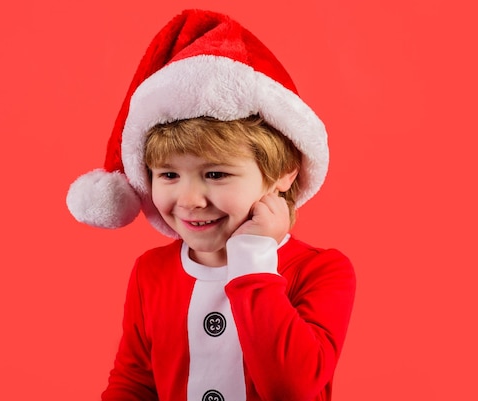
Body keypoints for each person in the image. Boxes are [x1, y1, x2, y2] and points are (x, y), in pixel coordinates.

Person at [66, 9, 356, 401]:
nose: (189, 200)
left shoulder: (320, 271)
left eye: (216, 175)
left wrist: (252, 257)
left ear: (284, 173)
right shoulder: (150, 273)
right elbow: (133, 382)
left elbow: (292, 388)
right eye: (168, 175)